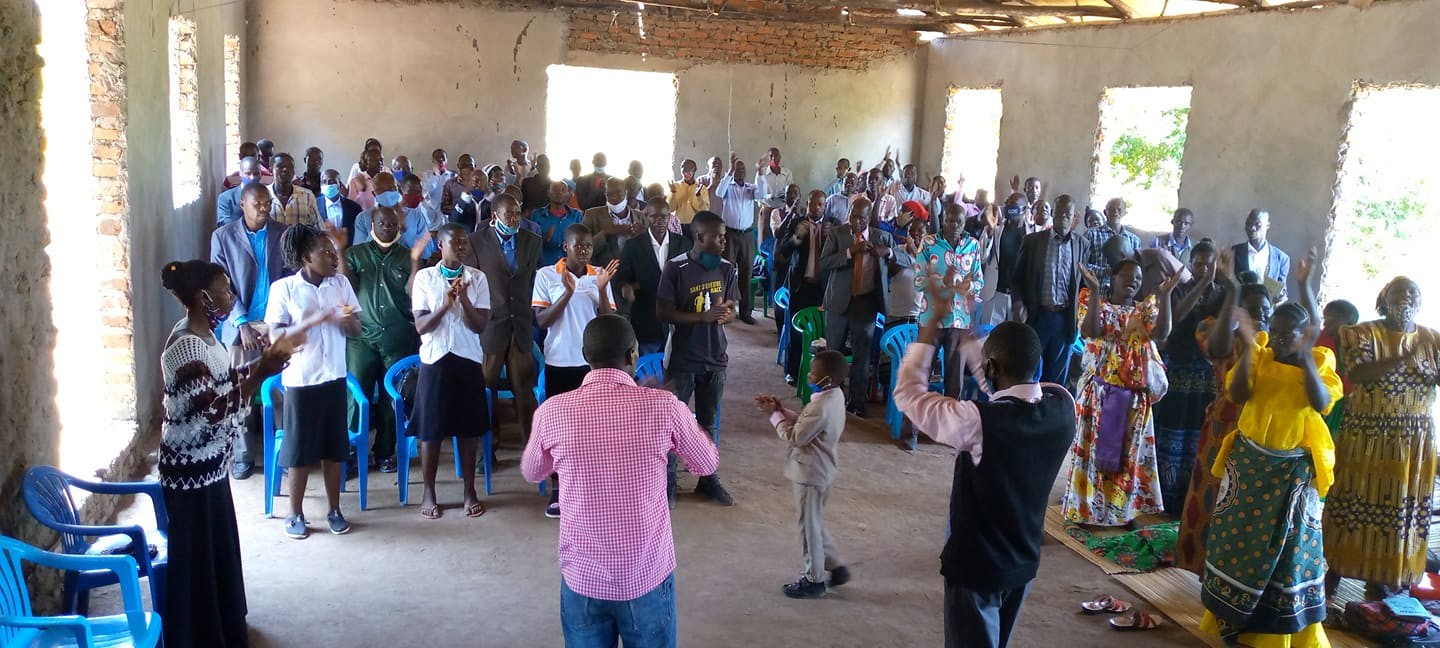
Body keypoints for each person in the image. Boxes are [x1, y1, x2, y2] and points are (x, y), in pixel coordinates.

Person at [894, 273, 1077, 648]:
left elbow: (908, 395)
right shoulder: (1063, 407)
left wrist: (933, 321)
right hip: (1022, 564)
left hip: (977, 568)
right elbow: (1008, 385)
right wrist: (973, 333)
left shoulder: (977, 422)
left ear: (992, 367)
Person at [521, 315, 718, 648]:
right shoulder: (664, 406)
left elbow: (532, 472)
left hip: (583, 579)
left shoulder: (552, 412)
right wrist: (676, 417)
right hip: (645, 577)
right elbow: (706, 462)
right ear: (633, 355)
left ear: (585, 356)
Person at [158, 260, 295, 648]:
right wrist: (261, 372)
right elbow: (213, 410)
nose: (231, 297)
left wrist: (260, 366)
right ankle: (195, 637)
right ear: (204, 297)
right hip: (189, 469)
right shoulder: (186, 345)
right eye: (224, 290)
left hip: (210, 463)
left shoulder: (208, 338)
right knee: (195, 555)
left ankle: (223, 628)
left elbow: (222, 382)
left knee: (216, 547)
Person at [1324, 276, 1440, 600]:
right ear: (1383, 300)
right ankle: (1337, 568)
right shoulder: (1360, 334)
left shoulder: (1432, 339)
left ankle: (1385, 579)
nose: (1406, 298)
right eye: (1398, 293)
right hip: (1367, 435)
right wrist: (1402, 357)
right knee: (1353, 502)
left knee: (1399, 510)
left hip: (1412, 441)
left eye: (1412, 293)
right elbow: (1358, 374)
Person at [1061, 258, 1180, 526]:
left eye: (1137, 278)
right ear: (1113, 278)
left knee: (1129, 456)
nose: (1132, 281)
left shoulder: (1145, 310)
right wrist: (1094, 292)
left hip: (1134, 398)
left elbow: (1162, 334)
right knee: (1092, 455)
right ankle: (1086, 510)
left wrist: (1166, 296)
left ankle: (1122, 513)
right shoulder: (1095, 303)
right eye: (1126, 276)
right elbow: (1090, 331)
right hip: (1100, 395)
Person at [1174, 261, 1276, 574]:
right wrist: (1232, 290)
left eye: (1266, 309)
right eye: (1254, 309)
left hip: (1261, 433)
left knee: (1245, 503)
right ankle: (1201, 564)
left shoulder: (1277, 341)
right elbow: (1216, 349)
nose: (1261, 315)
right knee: (1211, 494)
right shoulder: (1216, 329)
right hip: (1223, 427)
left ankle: (1234, 570)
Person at [265, 223, 362, 538]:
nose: (334, 257)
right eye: (326, 252)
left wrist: (346, 320)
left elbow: (357, 329)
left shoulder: (340, 284)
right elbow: (277, 338)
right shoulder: (284, 289)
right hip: (301, 380)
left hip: (333, 376)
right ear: (306, 257)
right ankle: (295, 513)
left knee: (335, 449)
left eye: (334, 251)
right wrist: (315, 320)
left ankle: (334, 509)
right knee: (299, 451)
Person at [533, 225, 619, 517]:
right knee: (562, 432)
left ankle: (591, 487)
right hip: (559, 361)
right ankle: (559, 489)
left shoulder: (599, 275)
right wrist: (567, 294)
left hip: (592, 364)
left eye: (588, 246)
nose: (584, 250)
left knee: (595, 430)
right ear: (565, 247)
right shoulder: (547, 275)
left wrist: (603, 289)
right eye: (578, 245)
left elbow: (608, 320)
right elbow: (542, 321)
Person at [408, 223, 492, 519]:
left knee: (468, 431)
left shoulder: (477, 278)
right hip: (435, 360)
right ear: (440, 246)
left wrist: (464, 299)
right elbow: (422, 326)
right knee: (430, 432)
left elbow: (479, 325)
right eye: (455, 242)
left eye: (465, 242)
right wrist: (445, 305)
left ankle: (469, 491)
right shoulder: (425, 278)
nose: (462, 247)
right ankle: (429, 492)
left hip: (467, 358)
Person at [331, 206, 422, 475]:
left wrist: (415, 263)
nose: (387, 229)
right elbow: (346, 285)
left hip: (397, 337)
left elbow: (413, 293)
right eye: (382, 224)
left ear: (399, 227)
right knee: (355, 395)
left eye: (392, 225)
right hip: (362, 337)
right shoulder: (355, 254)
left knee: (391, 398)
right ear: (372, 224)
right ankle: (350, 453)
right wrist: (339, 251)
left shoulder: (406, 256)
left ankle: (384, 452)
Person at [658, 210, 739, 507]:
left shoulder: (726, 268)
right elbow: (663, 312)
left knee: (709, 422)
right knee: (672, 424)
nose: (723, 241)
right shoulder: (676, 268)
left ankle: (708, 478)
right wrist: (701, 317)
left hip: (715, 357)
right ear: (700, 237)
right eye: (718, 237)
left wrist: (725, 315)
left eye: (724, 236)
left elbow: (733, 308)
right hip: (682, 358)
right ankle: (668, 481)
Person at [210, 182, 290, 480]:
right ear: (242, 204)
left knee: (280, 390)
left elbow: (290, 275)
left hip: (275, 323)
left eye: (267, 203)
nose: (264, 208)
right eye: (258, 204)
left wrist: (278, 323)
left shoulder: (282, 233)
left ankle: (284, 453)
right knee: (241, 390)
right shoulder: (223, 236)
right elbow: (221, 286)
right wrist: (242, 323)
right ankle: (243, 455)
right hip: (241, 326)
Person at [755, 350, 851, 599]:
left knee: (808, 529)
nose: (808, 375)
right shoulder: (834, 396)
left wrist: (774, 416)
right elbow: (808, 424)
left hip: (810, 474)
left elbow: (796, 436)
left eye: (813, 373)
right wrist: (782, 410)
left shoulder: (820, 405)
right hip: (823, 470)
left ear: (827, 379)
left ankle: (813, 579)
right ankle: (835, 566)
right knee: (814, 522)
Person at [1150, 240, 1224, 513]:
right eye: (1198, 263)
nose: (1203, 268)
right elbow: (1176, 319)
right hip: (1179, 371)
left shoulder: (1222, 294)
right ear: (1190, 264)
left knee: (1197, 433)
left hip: (1205, 376)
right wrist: (1201, 285)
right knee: (1172, 430)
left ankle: (1190, 495)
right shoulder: (1178, 288)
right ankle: (1164, 495)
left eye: (1208, 264)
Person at [819, 197, 911, 417]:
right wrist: (850, 251)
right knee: (833, 354)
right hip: (839, 302)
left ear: (869, 218)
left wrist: (887, 252)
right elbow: (824, 263)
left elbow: (907, 259)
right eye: (853, 216)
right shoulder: (838, 234)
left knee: (862, 357)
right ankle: (831, 400)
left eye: (861, 218)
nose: (856, 221)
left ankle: (856, 403)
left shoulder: (882, 237)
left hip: (866, 304)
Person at [464, 192, 543, 444]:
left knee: (524, 388)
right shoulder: (476, 241)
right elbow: (471, 282)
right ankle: (490, 445)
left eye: (517, 213)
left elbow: (533, 280)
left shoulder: (532, 240)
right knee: (487, 388)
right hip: (491, 324)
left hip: (520, 324)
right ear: (494, 216)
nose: (514, 219)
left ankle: (531, 445)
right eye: (508, 214)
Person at [1011, 195, 1087, 386]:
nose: (1063, 218)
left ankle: (1051, 404)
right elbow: (1017, 278)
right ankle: (1030, 403)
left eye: (1067, 214)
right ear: (1052, 213)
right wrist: (1018, 303)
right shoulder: (1032, 241)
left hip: (1064, 318)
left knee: (1056, 378)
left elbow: (1083, 284)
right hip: (1037, 315)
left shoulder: (1081, 245)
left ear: (1074, 216)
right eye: (1059, 213)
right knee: (1030, 371)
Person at [916, 203, 987, 399]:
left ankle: (949, 419)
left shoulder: (973, 245)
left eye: (959, 222)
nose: (954, 225)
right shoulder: (929, 243)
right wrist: (943, 282)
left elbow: (979, 281)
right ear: (943, 221)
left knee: (954, 382)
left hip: (959, 320)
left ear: (964, 223)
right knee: (921, 377)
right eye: (950, 221)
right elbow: (918, 281)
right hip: (931, 319)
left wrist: (967, 286)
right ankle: (913, 419)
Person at [617, 197, 690, 356]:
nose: (659, 221)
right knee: (648, 365)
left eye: (663, 216)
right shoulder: (633, 246)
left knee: (678, 363)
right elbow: (622, 277)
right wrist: (625, 287)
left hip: (678, 319)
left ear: (669, 216)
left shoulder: (683, 244)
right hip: (647, 320)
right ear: (646, 217)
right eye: (654, 216)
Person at [777, 190, 834, 385]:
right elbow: (783, 251)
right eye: (811, 203)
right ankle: (792, 372)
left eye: (820, 204)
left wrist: (830, 237)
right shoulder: (797, 223)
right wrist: (796, 237)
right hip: (800, 286)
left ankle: (820, 374)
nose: (815, 208)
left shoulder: (833, 225)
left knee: (822, 332)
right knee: (795, 331)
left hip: (823, 288)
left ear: (825, 206)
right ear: (807, 204)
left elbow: (839, 254)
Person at [715, 159, 761, 325]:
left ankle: (745, 312)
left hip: (747, 235)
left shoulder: (751, 188)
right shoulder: (728, 187)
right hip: (730, 234)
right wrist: (729, 172)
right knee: (726, 272)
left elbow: (761, 195)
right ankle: (726, 310)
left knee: (746, 274)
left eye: (742, 169)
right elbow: (719, 192)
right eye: (736, 169)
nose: (739, 172)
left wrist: (761, 174)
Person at [1315, 298, 1360, 434]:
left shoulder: (1358, 349)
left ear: (1349, 325)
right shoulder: (1319, 340)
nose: (1325, 324)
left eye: (1332, 321)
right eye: (1325, 319)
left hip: (1343, 410)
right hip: (1317, 401)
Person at [981, 194, 1027, 326]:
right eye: (1007, 203)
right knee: (988, 335)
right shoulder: (995, 230)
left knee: (1015, 336)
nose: (1008, 207)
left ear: (1023, 209)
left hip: (1019, 299)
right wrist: (990, 230)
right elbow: (982, 257)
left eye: (1013, 205)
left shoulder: (1031, 233)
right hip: (995, 294)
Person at [1230, 208, 1291, 303]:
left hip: (1267, 310)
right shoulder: (1233, 253)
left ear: (1267, 225)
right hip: (1240, 309)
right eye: (1248, 224)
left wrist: (1281, 295)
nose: (1252, 228)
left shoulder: (1281, 259)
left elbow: (1282, 290)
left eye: (1257, 224)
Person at [1082, 198, 1142, 294]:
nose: (1115, 212)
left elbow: (1136, 269)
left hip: (1122, 294)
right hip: (1096, 292)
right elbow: (1082, 264)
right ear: (1105, 212)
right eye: (1112, 209)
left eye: (1119, 209)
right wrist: (1104, 271)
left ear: (1125, 213)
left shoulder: (1134, 240)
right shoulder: (1091, 234)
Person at [581, 177, 641, 269]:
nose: (614, 197)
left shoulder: (640, 217)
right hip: (603, 272)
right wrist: (605, 233)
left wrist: (643, 234)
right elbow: (583, 249)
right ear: (605, 194)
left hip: (634, 273)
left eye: (618, 193)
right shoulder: (591, 215)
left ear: (626, 193)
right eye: (609, 194)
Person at [532, 180, 585, 267]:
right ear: (548, 193)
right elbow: (530, 246)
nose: (559, 192)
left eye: (563, 190)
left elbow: (583, 241)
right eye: (555, 190)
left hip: (570, 267)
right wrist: (544, 239)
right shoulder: (537, 215)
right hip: (544, 267)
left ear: (568, 194)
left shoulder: (577, 215)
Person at [268, 153, 319, 226]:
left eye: (289, 167)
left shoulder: (307, 196)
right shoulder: (263, 195)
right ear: (270, 170)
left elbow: (318, 226)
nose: (285, 169)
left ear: (294, 171)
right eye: (280, 166)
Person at [215, 156, 266, 227]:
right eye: (248, 173)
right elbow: (223, 223)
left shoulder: (267, 195)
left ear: (261, 174)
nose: (252, 178)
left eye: (256, 174)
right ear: (240, 173)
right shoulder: (226, 198)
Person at [317, 169, 363, 247]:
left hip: (348, 250)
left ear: (340, 184)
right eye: (324, 182)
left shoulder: (354, 207)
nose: (327, 185)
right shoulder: (314, 204)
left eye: (331, 182)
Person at [668, 159, 710, 235]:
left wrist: (698, 196)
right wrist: (673, 192)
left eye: (689, 171)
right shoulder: (675, 187)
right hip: (678, 225)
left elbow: (704, 210)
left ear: (695, 170)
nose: (686, 173)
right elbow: (670, 209)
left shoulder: (702, 188)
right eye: (684, 171)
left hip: (695, 225)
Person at [347, 147, 384, 212]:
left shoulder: (386, 179)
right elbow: (351, 205)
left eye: (381, 160)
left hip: (383, 216)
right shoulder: (356, 181)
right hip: (363, 216)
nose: (380, 163)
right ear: (367, 163)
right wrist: (363, 192)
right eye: (375, 160)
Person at [422, 148, 452, 213]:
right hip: (430, 211)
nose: (440, 160)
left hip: (446, 213)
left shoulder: (452, 176)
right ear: (433, 161)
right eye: (437, 158)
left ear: (447, 160)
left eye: (443, 158)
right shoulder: (426, 176)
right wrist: (435, 176)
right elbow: (424, 194)